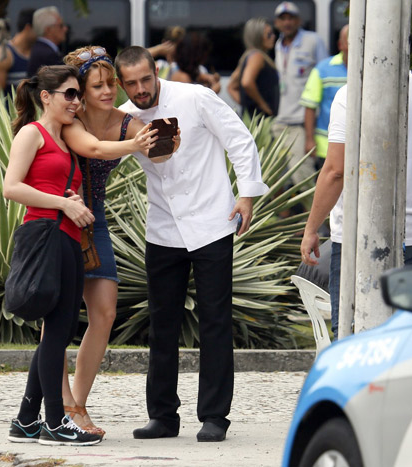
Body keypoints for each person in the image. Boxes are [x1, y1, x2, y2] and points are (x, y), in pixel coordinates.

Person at [114, 46, 269, 442]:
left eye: (145, 80)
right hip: (162, 228)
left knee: (215, 321)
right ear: (121, 83)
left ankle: (214, 416)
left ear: (156, 73)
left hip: (211, 222)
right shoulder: (124, 118)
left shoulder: (194, 97)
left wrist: (247, 194)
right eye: (130, 83)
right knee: (162, 323)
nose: (140, 89)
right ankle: (162, 417)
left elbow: (239, 140)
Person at [59, 46, 164, 435]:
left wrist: (168, 142)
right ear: (81, 91)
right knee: (59, 318)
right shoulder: (71, 119)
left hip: (94, 217)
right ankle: (62, 403)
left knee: (104, 312)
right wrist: (138, 145)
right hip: (60, 215)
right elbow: (93, 149)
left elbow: (160, 153)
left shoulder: (126, 122)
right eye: (97, 85)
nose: (107, 91)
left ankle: (77, 404)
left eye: (110, 84)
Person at [300, 72, 412, 339]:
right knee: (406, 339)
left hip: (356, 237)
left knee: (352, 336)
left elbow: (336, 170)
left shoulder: (350, 94)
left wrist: (312, 227)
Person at [3, 65, 102, 446]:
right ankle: (54, 423)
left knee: (57, 334)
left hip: (69, 240)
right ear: (46, 97)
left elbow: (54, 187)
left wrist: (71, 201)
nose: (77, 102)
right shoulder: (33, 133)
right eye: (70, 94)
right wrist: (63, 203)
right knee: (57, 335)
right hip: (47, 237)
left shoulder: (65, 142)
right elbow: (11, 187)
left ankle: (27, 420)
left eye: (79, 95)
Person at [273, 1, 327, 186]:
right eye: (283, 19)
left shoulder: (312, 41)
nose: (287, 23)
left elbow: (324, 76)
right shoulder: (279, 45)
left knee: (301, 175)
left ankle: (317, 214)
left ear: (299, 21)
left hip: (301, 122)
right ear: (277, 23)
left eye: (291, 18)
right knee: (279, 178)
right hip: (282, 121)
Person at [300, 25, 349, 170]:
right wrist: (309, 140)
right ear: (340, 44)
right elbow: (310, 106)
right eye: (350, 40)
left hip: (362, 144)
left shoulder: (372, 68)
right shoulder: (322, 69)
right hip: (327, 145)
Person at [227, 18, 279, 118]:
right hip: (260, 120)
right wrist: (263, 105)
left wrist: (246, 105)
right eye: (269, 34)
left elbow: (231, 86)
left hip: (251, 118)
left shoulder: (248, 56)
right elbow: (246, 82)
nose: (273, 37)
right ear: (258, 36)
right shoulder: (257, 57)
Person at [0, 8, 36, 98]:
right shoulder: (4, 56)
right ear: (28, 28)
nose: (42, 32)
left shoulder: (38, 52)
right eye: (38, 28)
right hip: (11, 111)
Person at [27, 7, 67, 77]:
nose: (65, 29)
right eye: (61, 25)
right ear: (48, 30)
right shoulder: (48, 54)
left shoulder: (38, 49)